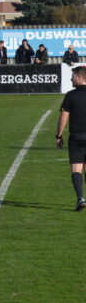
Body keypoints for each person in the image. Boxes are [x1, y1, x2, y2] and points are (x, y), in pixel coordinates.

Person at [56, 66, 86, 212]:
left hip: (77, 137)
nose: (71, 79)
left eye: (73, 76)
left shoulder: (71, 95)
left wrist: (59, 135)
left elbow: (64, 116)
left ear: (80, 78)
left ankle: (80, 198)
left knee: (76, 169)